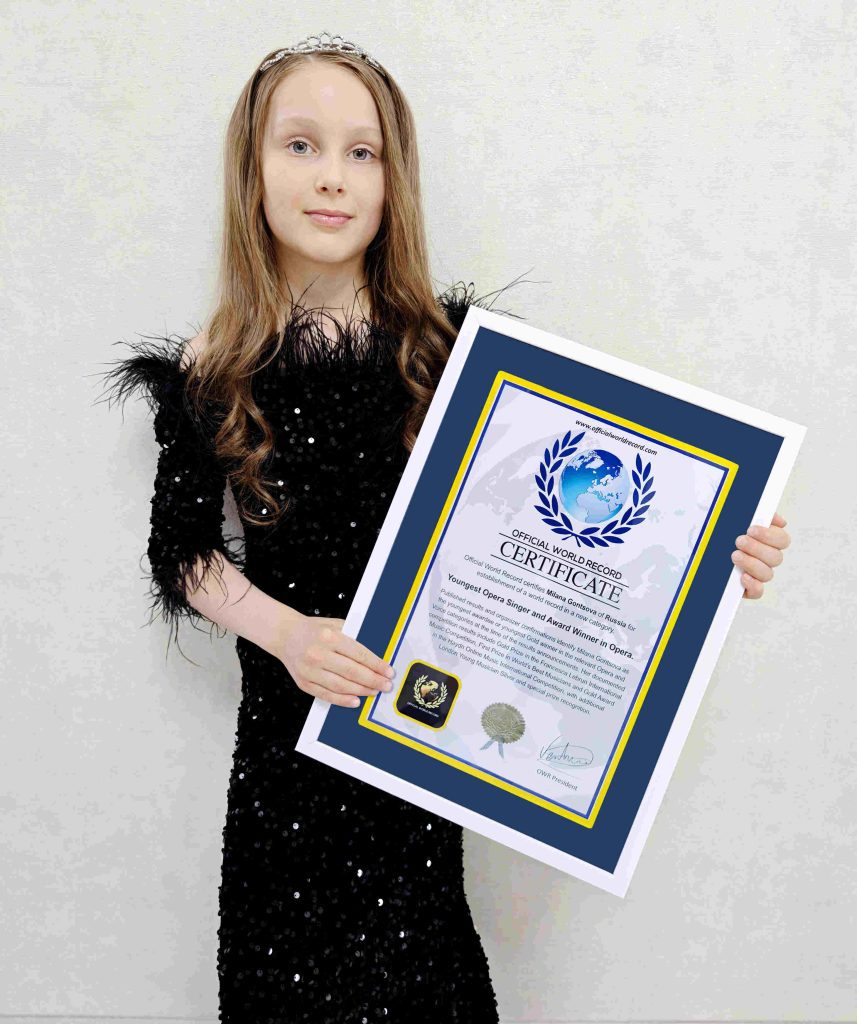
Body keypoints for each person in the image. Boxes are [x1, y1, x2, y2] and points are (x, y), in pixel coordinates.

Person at [96, 31, 792, 1024]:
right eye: (300, 145)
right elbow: (181, 551)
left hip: (420, 744)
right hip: (285, 760)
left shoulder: (454, 358)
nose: (331, 176)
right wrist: (286, 634)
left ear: (394, 183)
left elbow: (579, 521)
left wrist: (720, 548)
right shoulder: (219, 363)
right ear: (251, 170)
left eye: (362, 151)